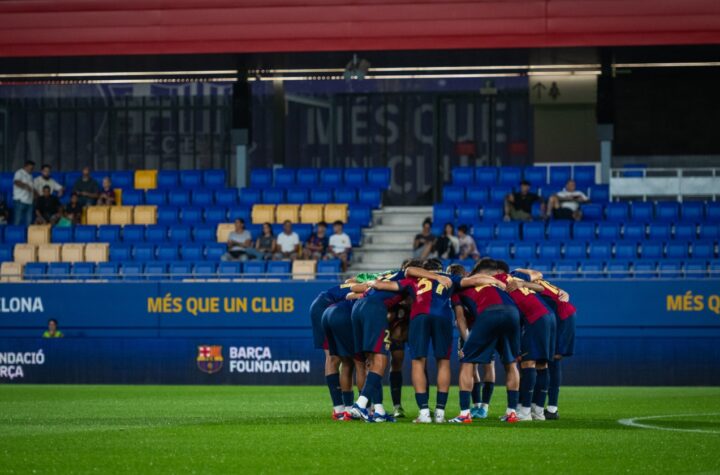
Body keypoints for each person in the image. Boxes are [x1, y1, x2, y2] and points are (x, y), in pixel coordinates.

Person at [449, 259, 522, 424]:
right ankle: (511, 413)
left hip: (489, 313)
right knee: (510, 363)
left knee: (467, 361)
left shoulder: (458, 289)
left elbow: (460, 319)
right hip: (512, 313)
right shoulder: (493, 283)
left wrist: (467, 343)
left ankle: (464, 414)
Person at [491, 260, 557, 422]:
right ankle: (538, 411)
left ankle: (525, 412)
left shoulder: (499, 279)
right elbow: (538, 278)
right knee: (542, 364)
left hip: (535, 318)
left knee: (528, 363)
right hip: (548, 316)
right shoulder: (517, 280)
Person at [510, 268, 576, 420]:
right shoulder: (538, 282)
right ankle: (541, 408)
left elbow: (539, 286)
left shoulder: (527, 285)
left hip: (559, 315)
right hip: (560, 314)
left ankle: (548, 408)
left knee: (549, 360)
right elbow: (550, 286)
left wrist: (521, 283)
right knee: (547, 361)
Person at [310, 280, 368, 420]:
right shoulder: (374, 284)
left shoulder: (365, 279)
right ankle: (339, 408)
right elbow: (355, 294)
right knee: (334, 357)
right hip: (326, 306)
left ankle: (346, 407)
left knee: (345, 359)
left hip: (324, 304)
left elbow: (349, 283)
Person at [12, 160, 35, 226]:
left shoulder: (30, 176)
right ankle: (16, 235)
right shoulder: (19, 173)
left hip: (29, 202)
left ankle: (27, 236)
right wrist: (26, 186)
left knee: (29, 221)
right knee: (17, 221)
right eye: (31, 168)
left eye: (32, 168)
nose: (32, 170)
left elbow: (32, 188)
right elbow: (16, 182)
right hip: (20, 201)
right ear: (26, 166)